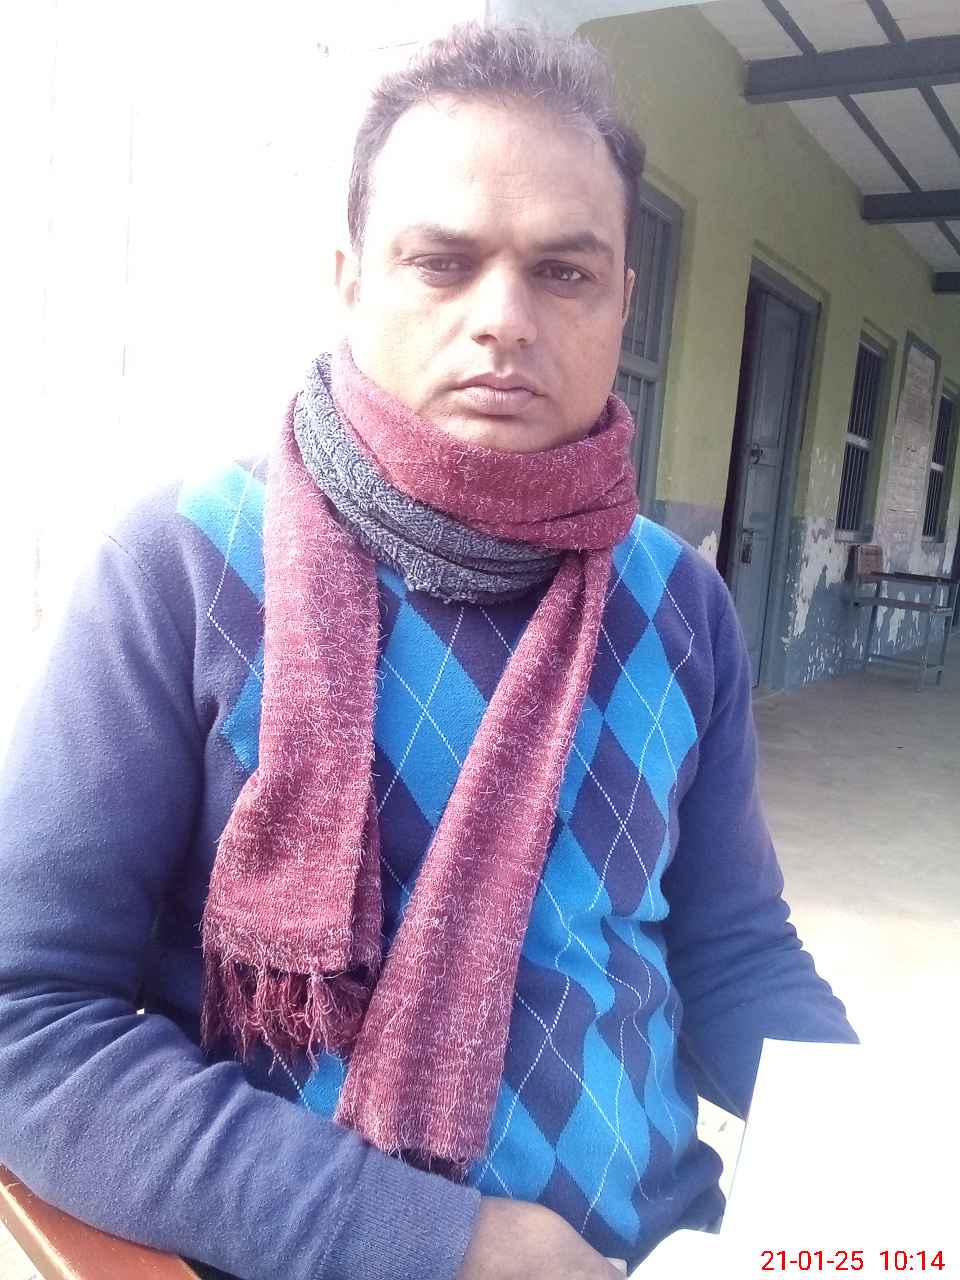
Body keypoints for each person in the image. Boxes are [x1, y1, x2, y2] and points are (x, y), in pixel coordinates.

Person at [0, 23, 857, 1280]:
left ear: (623, 301)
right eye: (442, 262)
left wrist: (878, 1144)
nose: (503, 319)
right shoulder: (185, 567)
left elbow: (733, 949)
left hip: (665, 1244)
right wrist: (435, 1240)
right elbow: (26, 1017)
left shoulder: (681, 601)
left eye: (564, 272)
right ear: (350, 278)